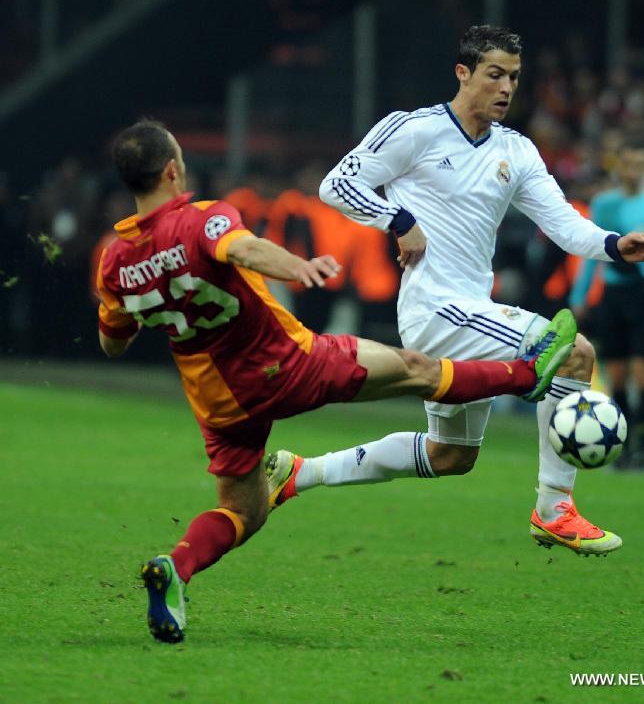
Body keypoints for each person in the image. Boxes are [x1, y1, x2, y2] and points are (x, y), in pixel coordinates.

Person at [97, 119, 577, 644]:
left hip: (219, 403)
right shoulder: (203, 220)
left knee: (242, 511)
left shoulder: (115, 263)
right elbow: (242, 249)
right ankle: (525, 374)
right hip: (285, 364)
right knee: (415, 369)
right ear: (172, 169)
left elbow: (112, 342)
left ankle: (176, 568)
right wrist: (296, 267)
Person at [265, 25, 644, 557]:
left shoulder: (516, 151)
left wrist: (615, 245)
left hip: (470, 310)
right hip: (436, 308)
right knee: (573, 353)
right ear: (463, 73)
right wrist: (398, 217)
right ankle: (554, 509)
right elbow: (337, 183)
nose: (505, 88)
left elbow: (564, 224)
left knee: (452, 454)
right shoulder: (416, 130)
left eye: (514, 78)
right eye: (494, 74)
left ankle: (300, 473)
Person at [571, 143, 644, 468]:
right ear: (619, 168)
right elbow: (594, 252)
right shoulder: (605, 204)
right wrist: (579, 297)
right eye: (628, 165)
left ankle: (642, 448)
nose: (634, 171)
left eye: (640, 165)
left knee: (643, 375)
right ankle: (622, 447)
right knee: (619, 376)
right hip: (614, 294)